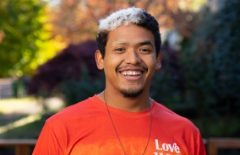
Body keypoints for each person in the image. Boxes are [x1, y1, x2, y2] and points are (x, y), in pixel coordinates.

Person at [32, 7, 206, 155]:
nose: (133, 59)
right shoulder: (61, 129)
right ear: (100, 59)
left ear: (158, 59)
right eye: (120, 49)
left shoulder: (186, 133)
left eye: (144, 49)